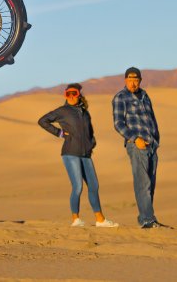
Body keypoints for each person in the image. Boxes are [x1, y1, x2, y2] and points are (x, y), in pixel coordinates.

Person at [38, 83, 118, 228]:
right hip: (70, 153)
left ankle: (100, 220)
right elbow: (43, 121)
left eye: (74, 93)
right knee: (78, 187)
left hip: (86, 154)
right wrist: (59, 133)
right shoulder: (63, 111)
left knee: (94, 186)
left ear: (79, 94)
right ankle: (76, 219)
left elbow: (90, 132)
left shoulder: (85, 112)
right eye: (68, 94)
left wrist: (91, 143)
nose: (71, 96)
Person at [112, 67, 168, 229]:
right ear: (125, 80)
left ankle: (147, 217)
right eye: (130, 80)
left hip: (152, 145)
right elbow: (118, 124)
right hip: (136, 145)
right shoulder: (120, 97)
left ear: (140, 80)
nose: (133, 83)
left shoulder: (144, 95)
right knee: (142, 183)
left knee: (150, 183)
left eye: (136, 80)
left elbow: (152, 118)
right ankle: (147, 219)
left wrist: (156, 139)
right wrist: (135, 139)